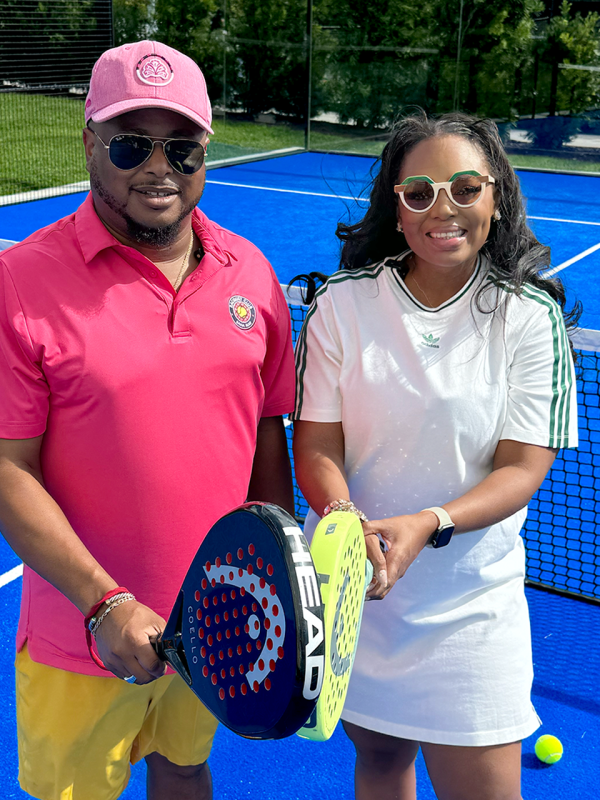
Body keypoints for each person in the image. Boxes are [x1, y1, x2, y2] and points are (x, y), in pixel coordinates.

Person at [0, 40, 295, 800]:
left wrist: (282, 565)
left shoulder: (252, 275)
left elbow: (266, 428)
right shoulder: (22, 283)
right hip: (81, 635)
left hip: (218, 622)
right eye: (131, 144)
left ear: (205, 150)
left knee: (185, 767)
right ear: (91, 144)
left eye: (183, 146)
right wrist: (106, 605)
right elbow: (8, 468)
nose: (158, 166)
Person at [291, 112, 579, 800]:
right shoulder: (340, 306)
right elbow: (317, 443)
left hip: (473, 609)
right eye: (418, 192)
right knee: (382, 762)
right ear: (395, 207)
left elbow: (522, 468)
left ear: (497, 197)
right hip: (357, 594)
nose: (441, 208)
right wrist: (344, 520)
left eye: (465, 188)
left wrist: (428, 522)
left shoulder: (529, 316)